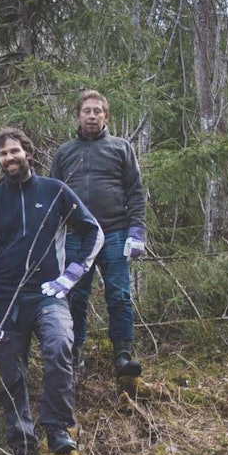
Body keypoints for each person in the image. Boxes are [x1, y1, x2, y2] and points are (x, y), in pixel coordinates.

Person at [0, 129, 103, 455]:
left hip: (50, 295)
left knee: (60, 345)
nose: (9, 158)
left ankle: (57, 427)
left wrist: (69, 277)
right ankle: (22, 441)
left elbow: (93, 233)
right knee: (9, 369)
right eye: (3, 154)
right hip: (6, 300)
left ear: (27, 153)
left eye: (14, 151)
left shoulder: (55, 190)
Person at [49, 90, 146, 379]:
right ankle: (76, 354)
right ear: (78, 116)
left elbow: (136, 192)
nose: (92, 115)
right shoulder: (65, 153)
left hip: (115, 232)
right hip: (78, 236)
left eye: (97, 111)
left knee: (119, 294)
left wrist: (137, 231)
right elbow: (54, 196)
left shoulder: (121, 148)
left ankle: (123, 355)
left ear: (106, 115)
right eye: (87, 111)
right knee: (76, 296)